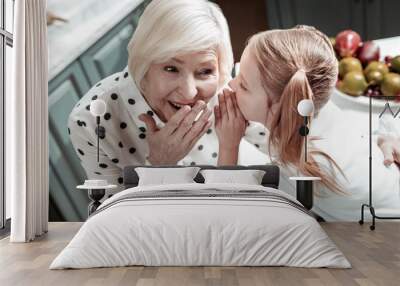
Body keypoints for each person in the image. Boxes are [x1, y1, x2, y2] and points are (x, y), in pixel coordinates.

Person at [68, 0, 268, 193]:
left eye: (205, 71)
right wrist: (158, 166)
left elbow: (285, 146)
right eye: (171, 68)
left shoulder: (225, 88)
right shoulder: (92, 121)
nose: (190, 92)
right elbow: (114, 217)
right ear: (144, 63)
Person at [215, 25, 400, 221]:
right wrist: (382, 140)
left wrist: (229, 145)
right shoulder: (320, 107)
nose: (231, 85)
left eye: (243, 84)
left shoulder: (303, 165)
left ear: (279, 107)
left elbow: (227, 213)